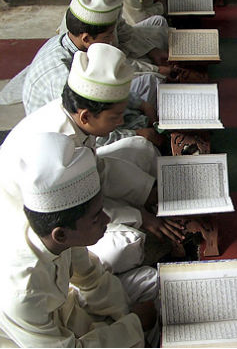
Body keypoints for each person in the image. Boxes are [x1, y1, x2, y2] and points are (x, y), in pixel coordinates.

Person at [0, 43, 185, 293]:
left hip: (78, 206)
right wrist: (142, 217)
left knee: (140, 147)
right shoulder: (59, 143)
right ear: (86, 116)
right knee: (124, 246)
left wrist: (148, 192)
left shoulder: (72, 118)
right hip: (44, 226)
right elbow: (79, 210)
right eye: (115, 117)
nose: (122, 121)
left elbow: (100, 171)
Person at [0, 132, 155, 347]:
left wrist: (126, 316)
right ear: (61, 234)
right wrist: (133, 327)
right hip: (48, 340)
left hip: (70, 310)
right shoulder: (21, 296)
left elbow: (92, 277)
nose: (107, 219)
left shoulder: (56, 236)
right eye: (96, 217)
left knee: (152, 282)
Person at [22, 0, 162, 148]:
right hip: (72, 139)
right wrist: (138, 134)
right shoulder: (61, 78)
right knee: (142, 144)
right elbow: (90, 130)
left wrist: (142, 104)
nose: (112, 39)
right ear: (86, 38)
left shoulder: (74, 44)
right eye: (108, 35)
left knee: (150, 83)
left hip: (93, 114)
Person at [60, 0, 172, 78]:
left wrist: (152, 50)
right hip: (97, 56)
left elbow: (122, 30)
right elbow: (107, 55)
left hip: (110, 43)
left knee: (159, 24)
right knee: (151, 77)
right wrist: (156, 69)